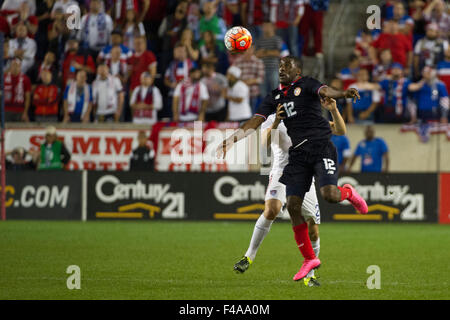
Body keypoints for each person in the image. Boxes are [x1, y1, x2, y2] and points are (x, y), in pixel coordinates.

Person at [217, 56, 368, 281]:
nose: (281, 69)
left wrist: (341, 98)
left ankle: (312, 269)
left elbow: (335, 117)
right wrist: (233, 138)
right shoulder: (275, 103)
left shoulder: (306, 93)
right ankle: (257, 257)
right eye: (279, 67)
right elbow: (260, 135)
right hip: (287, 166)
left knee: (318, 219)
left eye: (286, 66)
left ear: (297, 70)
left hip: (314, 154)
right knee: (280, 208)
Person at [234, 97, 347, 287]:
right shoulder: (271, 119)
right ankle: (248, 256)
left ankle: (310, 275)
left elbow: (340, 130)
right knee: (272, 209)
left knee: (312, 225)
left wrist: (334, 110)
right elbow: (265, 143)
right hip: (281, 171)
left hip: (304, 172)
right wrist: (278, 121)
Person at [232, 46, 265, 113]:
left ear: (253, 49)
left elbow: (261, 79)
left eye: (250, 49)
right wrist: (242, 83)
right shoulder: (237, 62)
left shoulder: (258, 62)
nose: (248, 51)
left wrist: (251, 81)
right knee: (241, 116)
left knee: (252, 116)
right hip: (240, 95)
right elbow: (232, 76)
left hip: (253, 93)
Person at [255, 20, 283, 98]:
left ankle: (275, 109)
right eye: (264, 26)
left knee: (275, 91)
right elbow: (256, 54)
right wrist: (270, 52)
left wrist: (264, 52)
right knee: (263, 93)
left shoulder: (277, 39)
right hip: (261, 69)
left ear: (273, 27)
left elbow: (279, 53)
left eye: (268, 26)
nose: (266, 28)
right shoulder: (259, 40)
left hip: (273, 69)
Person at [3, 58, 32, 122]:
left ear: (20, 67)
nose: (15, 68)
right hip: (6, 110)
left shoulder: (25, 79)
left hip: (20, 110)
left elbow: (27, 97)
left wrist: (25, 112)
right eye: (13, 65)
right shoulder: (4, 78)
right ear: (10, 66)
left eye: (17, 65)